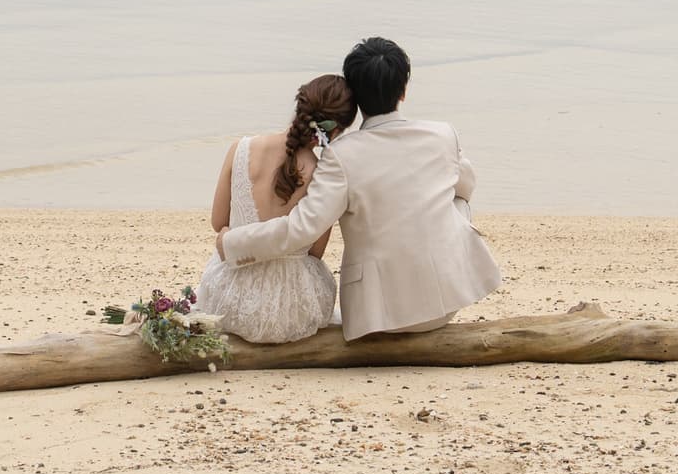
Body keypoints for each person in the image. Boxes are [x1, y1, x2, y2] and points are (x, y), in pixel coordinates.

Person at [215, 36, 502, 339]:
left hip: (378, 315)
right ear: (403, 91)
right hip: (446, 303)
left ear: (355, 96)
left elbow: (300, 229)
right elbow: (467, 187)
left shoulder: (340, 155)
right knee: (457, 201)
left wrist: (233, 242)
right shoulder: (443, 135)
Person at [192, 73, 357, 343]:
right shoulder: (322, 175)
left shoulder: (240, 148)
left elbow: (217, 221)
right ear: (334, 130)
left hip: (230, 298)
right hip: (291, 308)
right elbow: (315, 252)